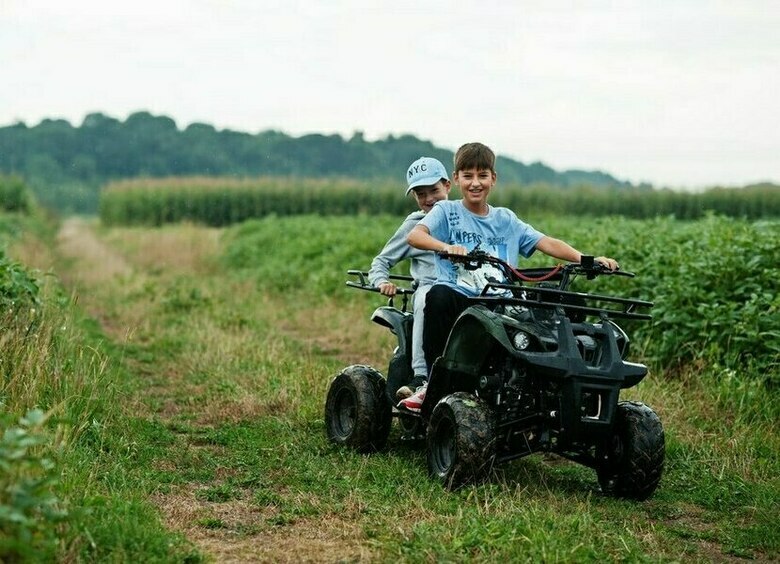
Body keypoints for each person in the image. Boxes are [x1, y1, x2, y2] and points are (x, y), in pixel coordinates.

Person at [398, 142, 619, 413]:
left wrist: (587, 260)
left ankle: (561, 389)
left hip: (500, 301)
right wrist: (447, 247)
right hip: (461, 298)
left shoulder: (506, 219)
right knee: (437, 295)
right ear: (456, 179)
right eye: (468, 176)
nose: (475, 183)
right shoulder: (446, 211)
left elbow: (546, 242)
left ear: (493, 178)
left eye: (482, 175)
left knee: (566, 301)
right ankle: (432, 383)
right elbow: (416, 236)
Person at [368, 156, 451, 399]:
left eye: (434, 190)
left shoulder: (463, 218)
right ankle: (421, 376)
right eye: (420, 194)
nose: (429, 199)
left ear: (447, 185)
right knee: (426, 297)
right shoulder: (414, 225)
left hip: (463, 288)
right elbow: (381, 261)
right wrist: (381, 281)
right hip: (431, 286)